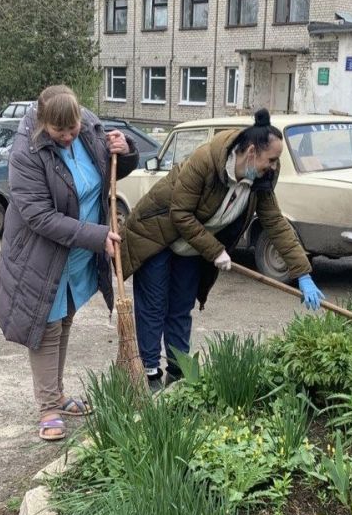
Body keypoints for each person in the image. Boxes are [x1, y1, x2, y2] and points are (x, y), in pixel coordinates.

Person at [120, 108, 325, 392]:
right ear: (251, 151)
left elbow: (275, 223)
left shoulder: (260, 180)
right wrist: (216, 251)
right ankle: (150, 375)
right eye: (272, 159)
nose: (275, 166)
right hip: (157, 235)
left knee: (180, 308)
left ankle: (179, 375)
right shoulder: (205, 161)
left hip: (193, 245)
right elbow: (180, 214)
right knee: (154, 307)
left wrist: (302, 271)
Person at [0, 85, 138, 440]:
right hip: (41, 253)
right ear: (44, 125)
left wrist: (126, 150)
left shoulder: (87, 124)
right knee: (45, 325)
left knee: (65, 318)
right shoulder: (27, 151)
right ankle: (47, 407)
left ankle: (57, 394)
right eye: (61, 133)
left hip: (78, 251)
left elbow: (112, 169)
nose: (70, 137)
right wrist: (96, 236)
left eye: (73, 129)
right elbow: (38, 215)